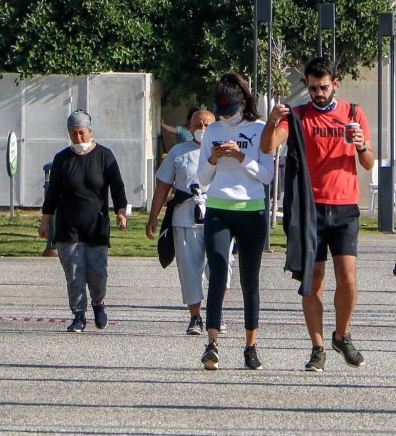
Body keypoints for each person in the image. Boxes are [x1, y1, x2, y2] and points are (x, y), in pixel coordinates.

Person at [262, 56, 374, 372]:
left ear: (335, 84)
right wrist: (272, 120)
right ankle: (318, 346)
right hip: (309, 208)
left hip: (344, 206)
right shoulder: (297, 116)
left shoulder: (353, 114)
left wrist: (361, 145)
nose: (318, 93)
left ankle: (342, 334)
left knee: (348, 280)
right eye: (313, 88)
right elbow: (268, 147)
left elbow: (368, 162)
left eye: (323, 87)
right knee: (313, 281)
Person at [197, 72, 274, 371]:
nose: (226, 118)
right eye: (221, 112)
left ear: (242, 104)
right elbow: (202, 179)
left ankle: (250, 345)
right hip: (218, 207)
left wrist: (242, 157)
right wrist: (214, 159)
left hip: (251, 208)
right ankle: (212, 343)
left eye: (230, 111)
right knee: (217, 272)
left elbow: (267, 175)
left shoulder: (258, 128)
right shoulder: (212, 130)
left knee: (249, 280)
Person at [146, 108, 234, 336]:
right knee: (189, 270)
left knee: (221, 267)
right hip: (185, 218)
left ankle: (217, 312)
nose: (202, 129)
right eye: (197, 125)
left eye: (207, 125)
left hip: (220, 215)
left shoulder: (227, 151)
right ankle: (195, 316)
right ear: (189, 127)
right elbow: (163, 186)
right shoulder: (178, 152)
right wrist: (153, 217)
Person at [39, 110, 128, 332]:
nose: (78, 138)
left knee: (98, 272)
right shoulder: (62, 158)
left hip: (96, 224)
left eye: (81, 133)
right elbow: (53, 193)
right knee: (74, 272)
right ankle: (78, 315)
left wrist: (120, 211)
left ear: (90, 131)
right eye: (73, 134)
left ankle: (99, 305)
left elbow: (117, 185)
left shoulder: (104, 155)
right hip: (68, 225)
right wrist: (45, 219)